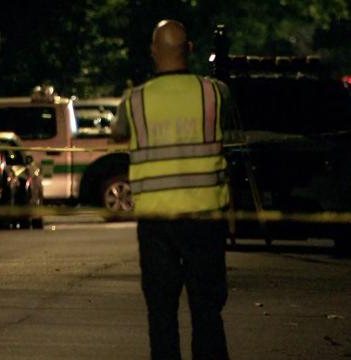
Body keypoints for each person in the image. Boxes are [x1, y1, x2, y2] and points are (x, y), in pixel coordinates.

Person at [111, 20, 234, 359]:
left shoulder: (135, 101)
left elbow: (117, 132)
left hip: (156, 221)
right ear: (190, 49)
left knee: (162, 313)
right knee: (207, 311)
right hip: (205, 219)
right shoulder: (215, 93)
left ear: (153, 51)